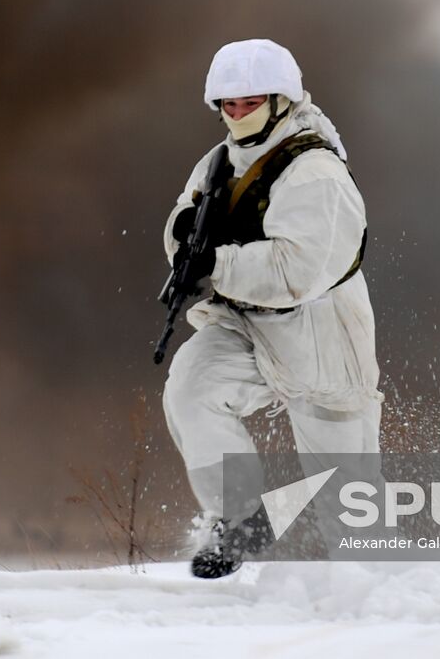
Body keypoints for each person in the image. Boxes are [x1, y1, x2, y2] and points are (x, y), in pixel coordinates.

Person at [161, 38, 383, 578]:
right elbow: (181, 231)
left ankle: (383, 604)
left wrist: (214, 262)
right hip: (243, 322)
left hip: (321, 336)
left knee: (350, 511)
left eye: (250, 103)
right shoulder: (218, 163)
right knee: (192, 389)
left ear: (281, 100)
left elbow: (295, 273)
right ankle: (239, 519)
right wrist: (184, 239)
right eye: (229, 106)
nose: (238, 115)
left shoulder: (314, 171)